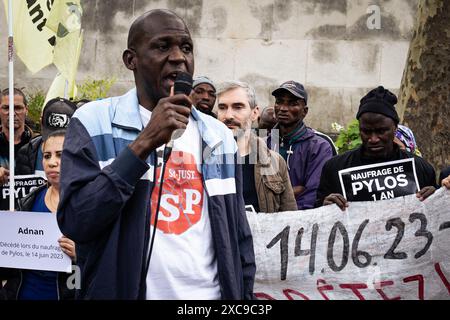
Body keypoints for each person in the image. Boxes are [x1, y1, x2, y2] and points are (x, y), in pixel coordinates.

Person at [57, 9, 255, 300]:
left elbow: (238, 236)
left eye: (186, 48)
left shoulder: (219, 137)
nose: (178, 57)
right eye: (163, 47)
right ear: (131, 60)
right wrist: (145, 142)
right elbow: (77, 220)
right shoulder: (93, 122)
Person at [316, 86, 437, 210]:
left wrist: (436, 198)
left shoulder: (420, 168)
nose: (373, 139)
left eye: (381, 131)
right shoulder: (335, 168)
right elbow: (316, 213)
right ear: (359, 129)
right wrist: (325, 206)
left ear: (395, 128)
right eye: (366, 131)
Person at [1, 130, 76, 300]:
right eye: (47, 156)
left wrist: (81, 255)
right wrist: (8, 234)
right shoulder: (29, 201)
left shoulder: (87, 205)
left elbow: (105, 263)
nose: (52, 162)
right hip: (22, 293)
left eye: (60, 155)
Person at [217, 81, 297, 213]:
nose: (228, 115)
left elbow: (290, 218)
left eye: (238, 107)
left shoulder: (275, 162)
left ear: (254, 113)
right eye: (222, 107)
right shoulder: (201, 159)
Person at [268, 81, 333, 210]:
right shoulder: (263, 143)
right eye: (279, 102)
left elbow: (313, 193)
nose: (283, 108)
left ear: (305, 111)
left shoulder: (320, 146)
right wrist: (293, 191)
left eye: (292, 104)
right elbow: (255, 192)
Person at [16, 98, 77, 177]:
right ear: (41, 123)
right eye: (47, 156)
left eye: (63, 137)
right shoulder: (26, 153)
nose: (52, 162)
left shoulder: (85, 155)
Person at [0, 88, 34, 186]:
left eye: (18, 108)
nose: (12, 113)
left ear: (26, 110)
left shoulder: (40, 144)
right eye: (6, 108)